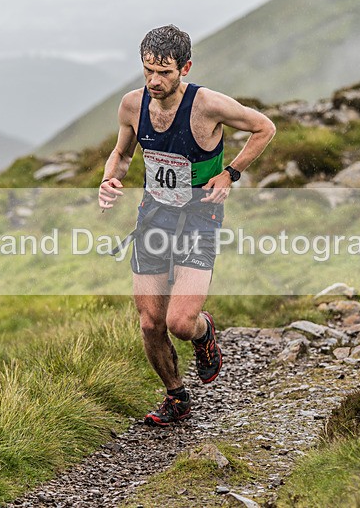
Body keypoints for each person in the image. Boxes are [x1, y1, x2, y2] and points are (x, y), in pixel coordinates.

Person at [98, 25, 275, 426]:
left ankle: (203, 331)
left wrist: (231, 173)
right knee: (149, 322)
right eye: (148, 71)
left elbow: (265, 127)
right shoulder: (132, 105)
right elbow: (122, 153)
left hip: (199, 217)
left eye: (165, 72)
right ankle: (176, 396)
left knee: (180, 322)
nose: (155, 81)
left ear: (186, 68)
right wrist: (111, 178)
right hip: (154, 218)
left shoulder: (208, 105)